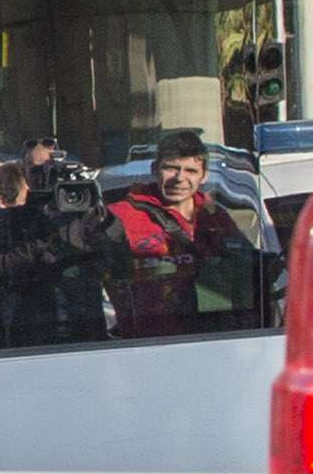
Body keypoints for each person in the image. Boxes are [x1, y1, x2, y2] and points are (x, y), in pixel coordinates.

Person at [111, 139, 262, 338]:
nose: (179, 178)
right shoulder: (120, 215)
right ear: (155, 169)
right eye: (171, 168)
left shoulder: (216, 216)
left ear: (204, 176)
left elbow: (245, 270)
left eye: (191, 171)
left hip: (213, 339)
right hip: (145, 343)